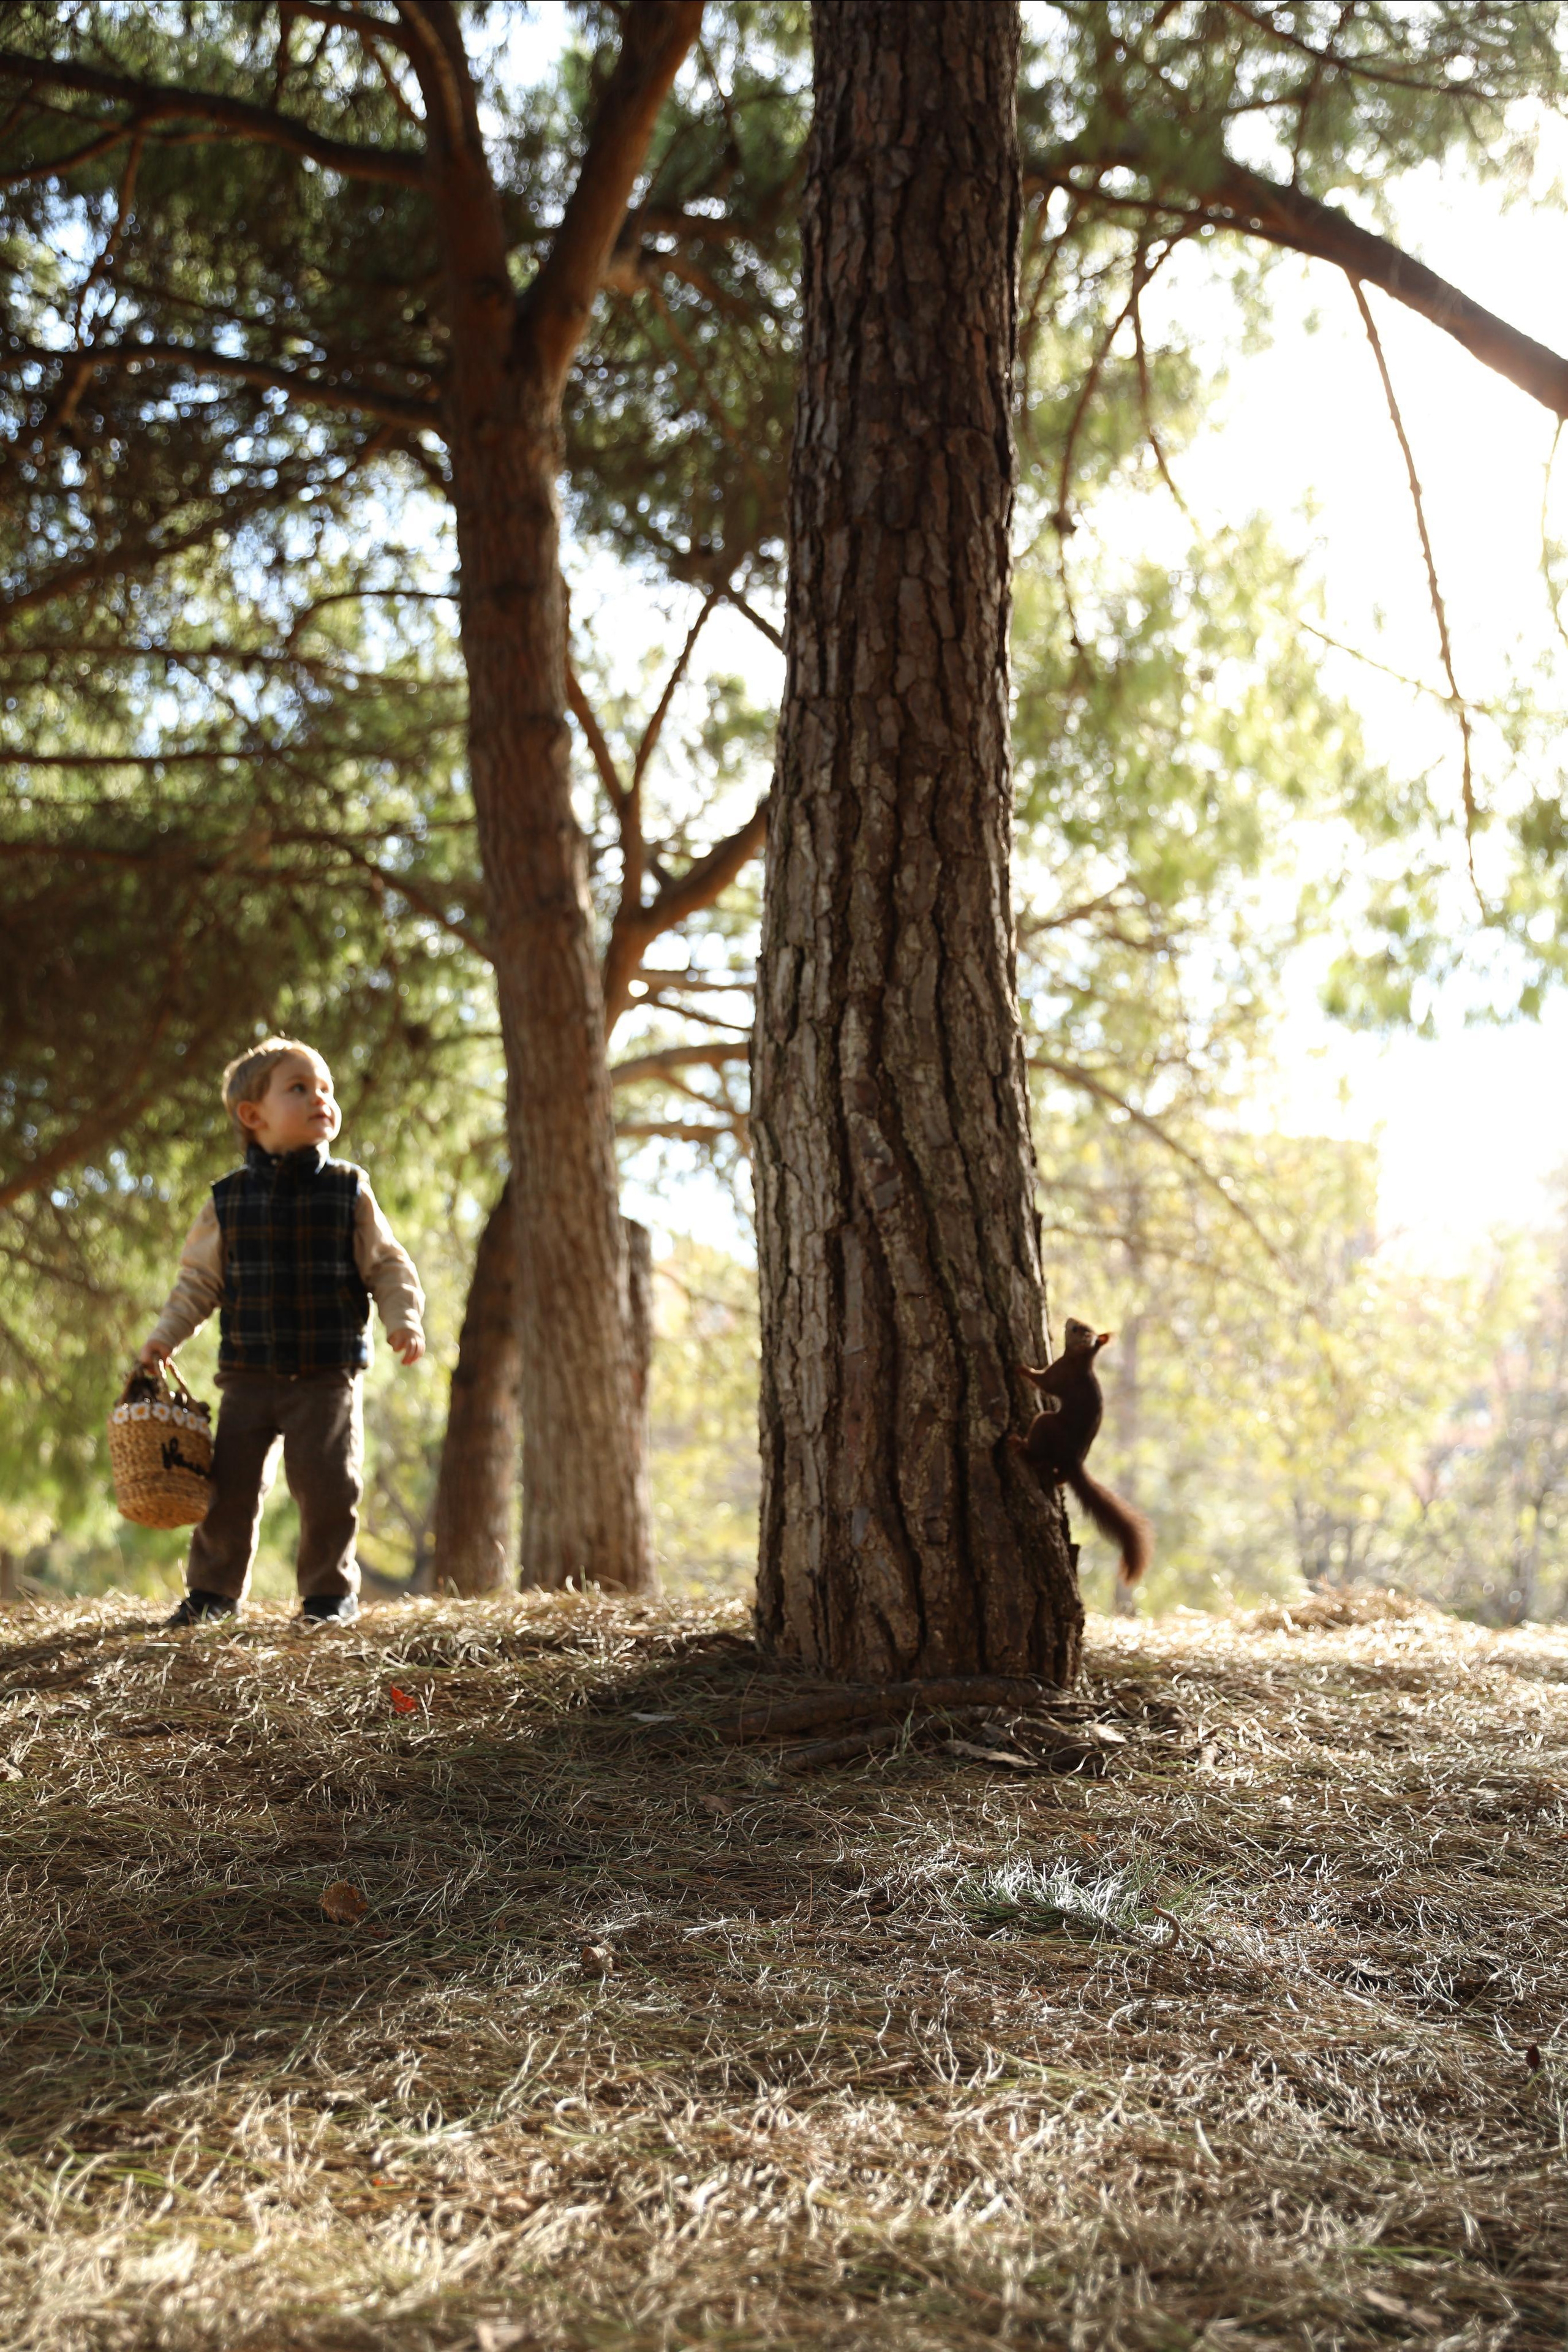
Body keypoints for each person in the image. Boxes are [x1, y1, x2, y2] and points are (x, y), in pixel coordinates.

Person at [140, 1037, 424, 1629]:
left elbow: (387, 1266)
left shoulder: (348, 1189)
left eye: (326, 1088)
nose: (321, 1098)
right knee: (229, 1490)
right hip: (247, 1377)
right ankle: (212, 1593)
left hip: (326, 1377)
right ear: (253, 1115)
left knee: (328, 1489)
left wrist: (403, 1318)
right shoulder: (227, 1201)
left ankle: (328, 1597)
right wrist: (166, 1337)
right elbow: (197, 1283)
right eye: (300, 1088)